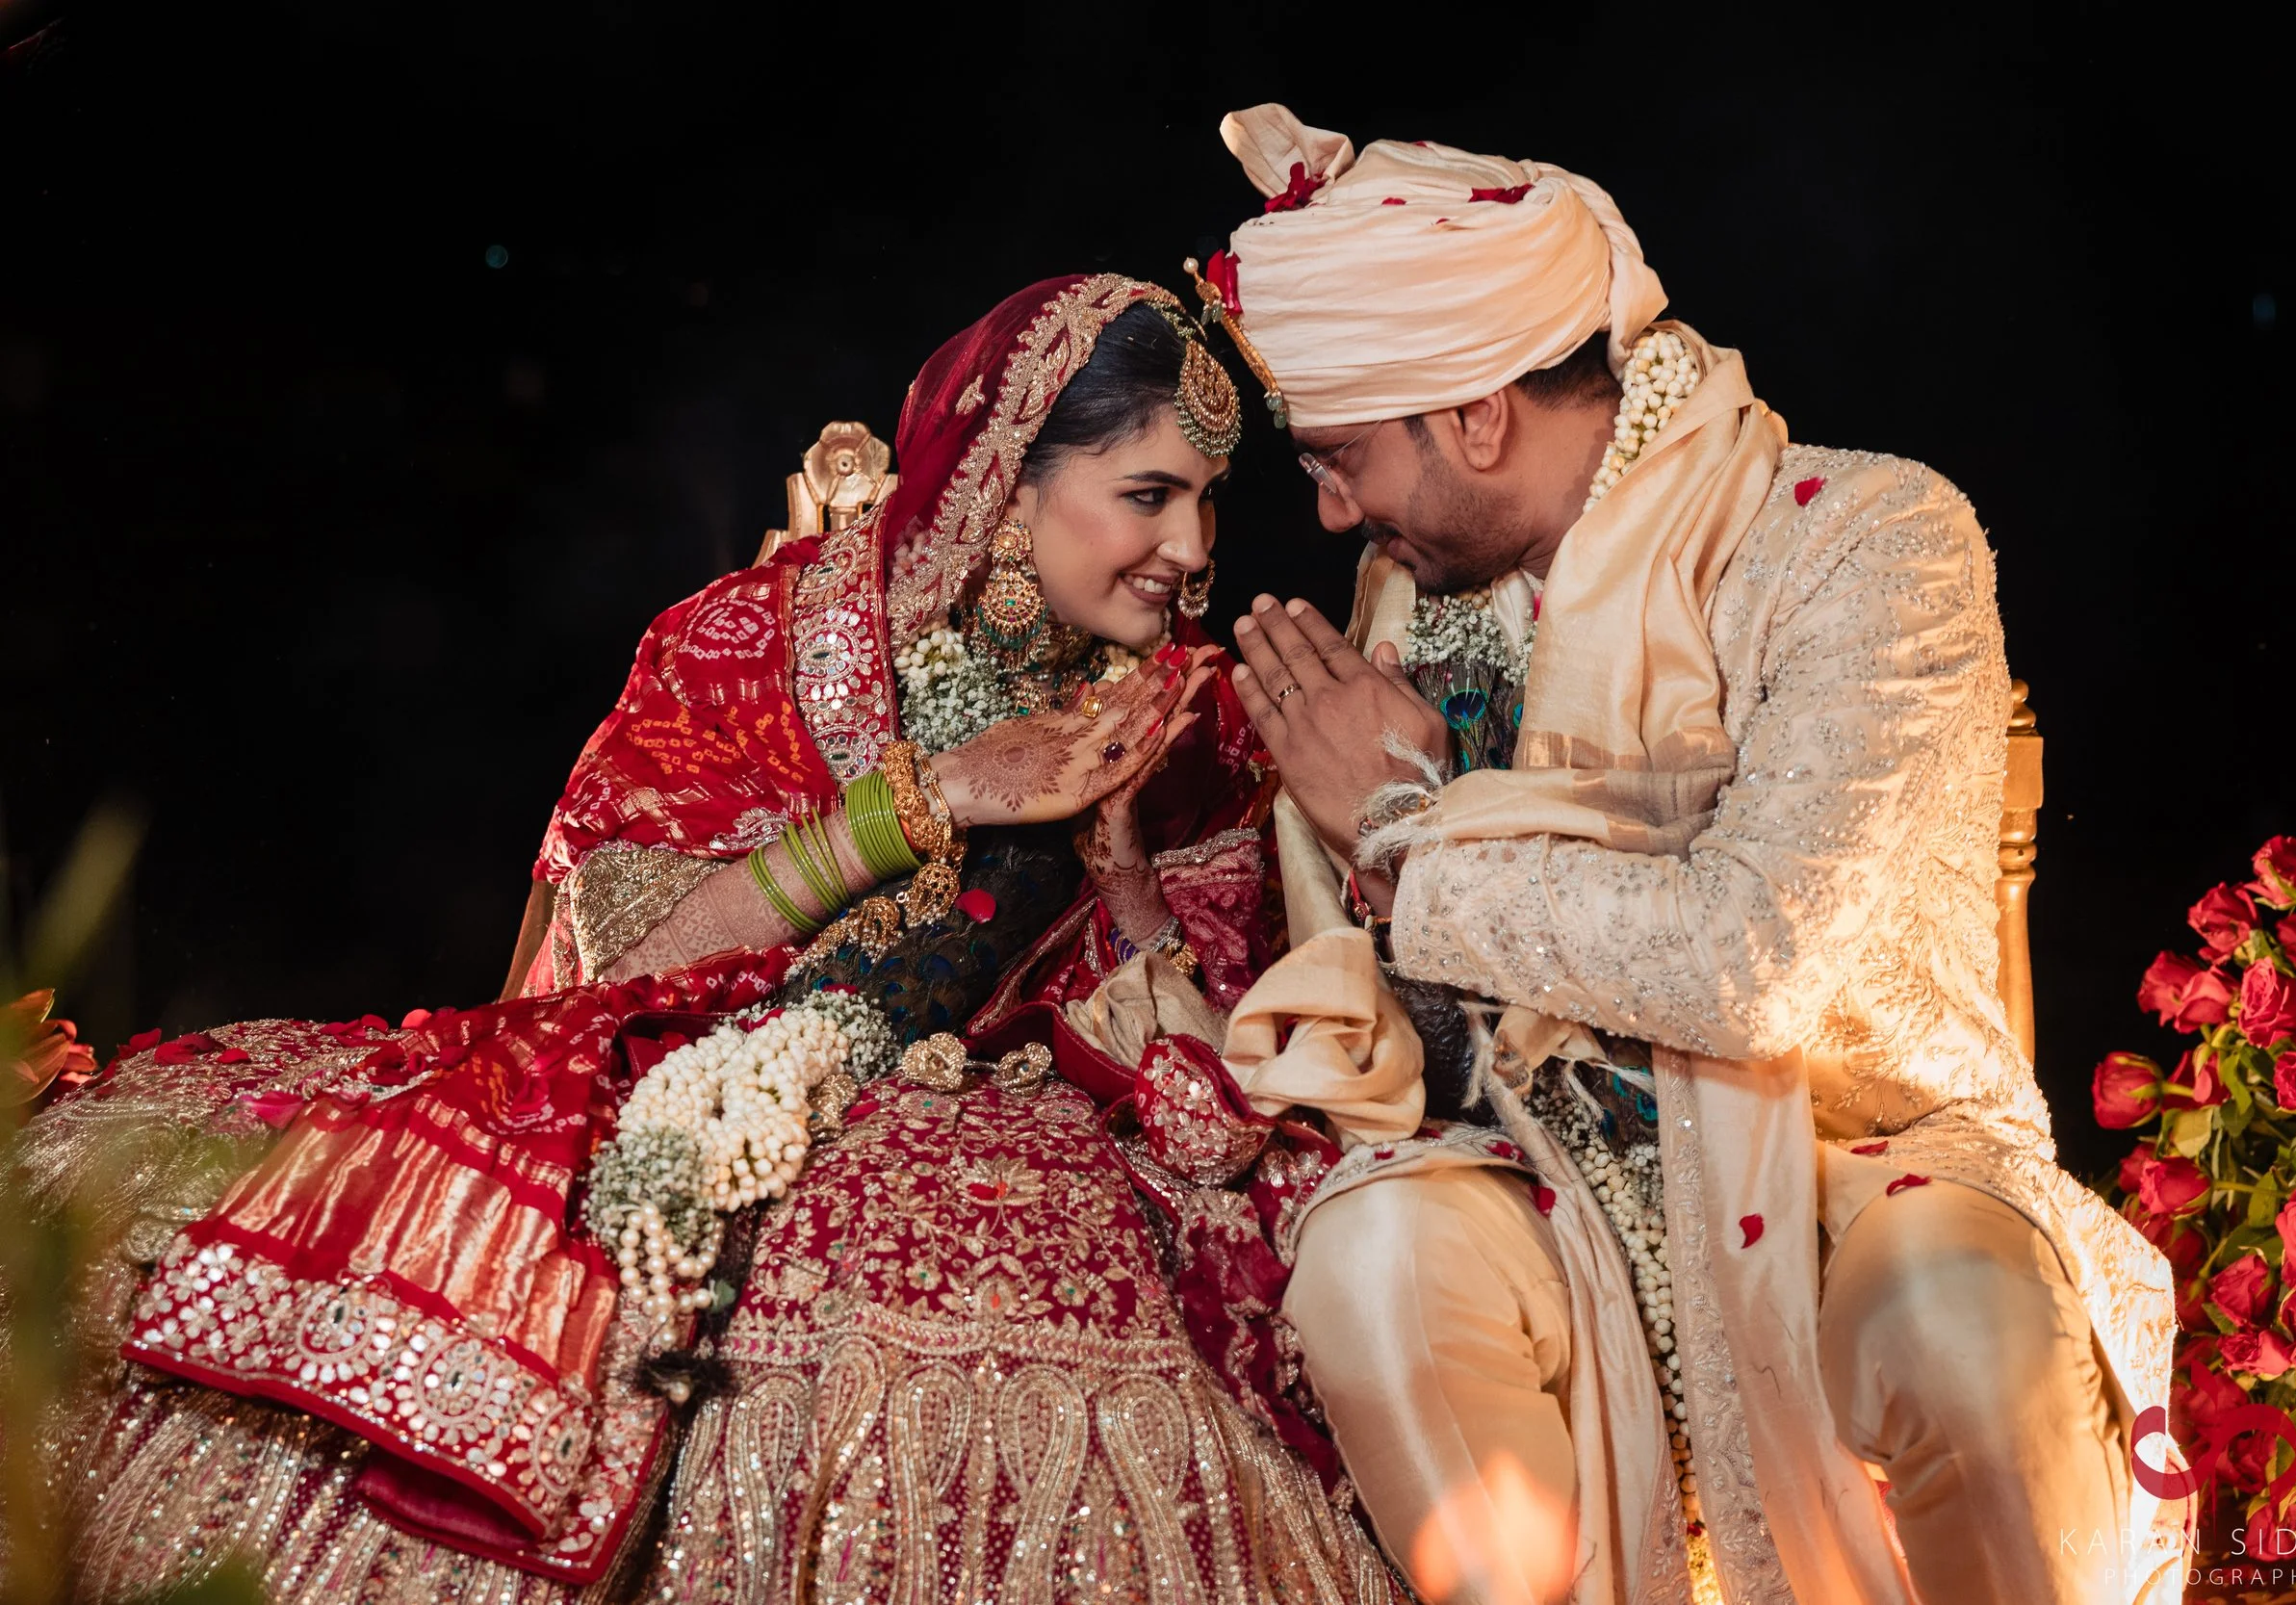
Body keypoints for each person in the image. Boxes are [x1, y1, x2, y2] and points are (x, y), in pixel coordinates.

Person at [14, 273, 1400, 1604]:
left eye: (1209, 499)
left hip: (1022, 1147)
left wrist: (1121, 867)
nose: (1197, 548)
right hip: (699, 1102)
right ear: (1003, 484)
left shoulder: (1196, 726)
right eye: (1147, 495)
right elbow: (615, 962)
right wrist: (928, 797)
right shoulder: (762, 645)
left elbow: (1227, 1050)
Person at [1186, 106, 2181, 1605]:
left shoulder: (1862, 543)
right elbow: (1422, 1038)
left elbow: (1752, 961)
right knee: (1371, 1255)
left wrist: (1405, 832)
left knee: (1957, 1317)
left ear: (1476, 416)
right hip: (1542, 1185)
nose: (1329, 509)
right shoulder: (1406, 604)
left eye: (1340, 459)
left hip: (1861, 1151)